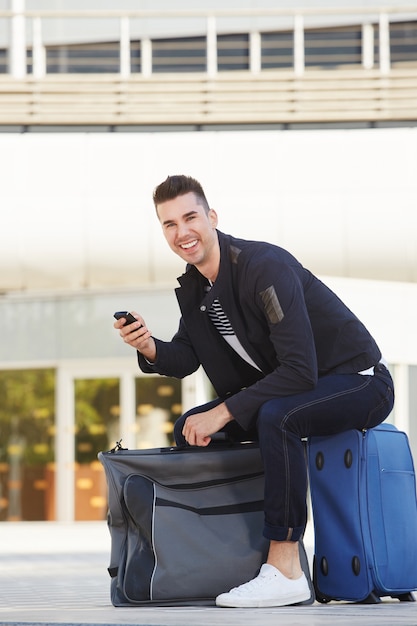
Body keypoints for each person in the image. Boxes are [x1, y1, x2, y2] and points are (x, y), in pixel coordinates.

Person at [114, 174, 394, 608]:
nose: (182, 232)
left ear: (212, 217)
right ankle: (228, 560)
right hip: (299, 389)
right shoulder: (195, 286)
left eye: (190, 217)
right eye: (169, 224)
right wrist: (147, 345)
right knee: (191, 426)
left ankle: (284, 569)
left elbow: (299, 370)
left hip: (358, 381)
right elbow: (186, 357)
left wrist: (225, 411)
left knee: (276, 416)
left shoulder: (264, 268)